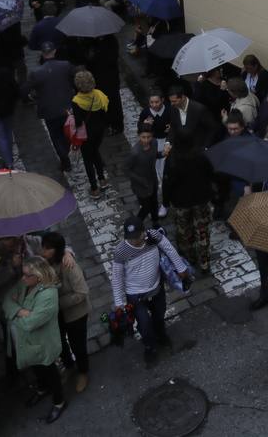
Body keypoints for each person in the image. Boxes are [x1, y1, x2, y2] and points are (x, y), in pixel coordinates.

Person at [109, 217, 192, 367]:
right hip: (135, 296)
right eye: (130, 238)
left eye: (137, 237)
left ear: (143, 232)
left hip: (156, 288)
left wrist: (181, 269)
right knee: (144, 324)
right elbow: (117, 278)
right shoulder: (121, 252)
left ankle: (161, 335)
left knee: (159, 315)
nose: (134, 241)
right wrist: (119, 303)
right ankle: (150, 346)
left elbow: (169, 249)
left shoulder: (153, 236)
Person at [4, 257, 68, 424]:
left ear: (38, 276)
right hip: (27, 341)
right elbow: (6, 301)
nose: (22, 278)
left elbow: (30, 323)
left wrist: (13, 314)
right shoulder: (26, 283)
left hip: (43, 342)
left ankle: (59, 402)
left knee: (49, 370)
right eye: (22, 274)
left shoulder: (48, 294)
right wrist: (20, 311)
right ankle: (42, 388)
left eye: (26, 275)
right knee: (36, 367)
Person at [39, 233, 92, 394]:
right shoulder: (46, 263)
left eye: (47, 248)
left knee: (78, 345)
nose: (43, 251)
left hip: (75, 313)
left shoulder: (69, 265)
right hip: (57, 315)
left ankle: (83, 372)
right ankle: (69, 366)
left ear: (56, 250)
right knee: (60, 343)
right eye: (44, 247)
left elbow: (82, 292)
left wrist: (57, 303)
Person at [163, 138, 216, 271]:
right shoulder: (202, 155)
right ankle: (204, 262)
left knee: (184, 230)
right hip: (201, 200)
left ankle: (190, 257)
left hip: (181, 202)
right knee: (202, 230)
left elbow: (168, 181)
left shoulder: (173, 158)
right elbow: (211, 174)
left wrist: (166, 200)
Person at [22, 42, 76, 170]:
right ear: (55, 51)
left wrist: (32, 97)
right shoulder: (66, 65)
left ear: (42, 53)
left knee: (55, 136)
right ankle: (66, 151)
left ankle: (64, 158)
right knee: (67, 132)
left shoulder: (36, 72)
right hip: (66, 108)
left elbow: (24, 90)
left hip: (49, 111)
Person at [71, 69, 110, 195]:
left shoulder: (77, 101)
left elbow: (78, 122)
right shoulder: (99, 94)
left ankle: (94, 188)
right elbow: (105, 111)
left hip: (86, 134)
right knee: (95, 152)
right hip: (99, 131)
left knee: (88, 159)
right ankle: (102, 179)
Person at [166, 80, 218, 151]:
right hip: (181, 150)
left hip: (198, 150)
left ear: (183, 97)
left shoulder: (199, 109)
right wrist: (168, 142)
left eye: (174, 101)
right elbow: (173, 126)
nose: (172, 104)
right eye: (171, 101)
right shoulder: (173, 109)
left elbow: (212, 128)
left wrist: (206, 146)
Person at [127, 124, 161, 226]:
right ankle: (136, 225)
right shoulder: (135, 153)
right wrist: (140, 180)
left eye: (148, 137)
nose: (146, 140)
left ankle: (155, 222)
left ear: (152, 136)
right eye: (143, 137)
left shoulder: (154, 143)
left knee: (154, 202)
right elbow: (126, 169)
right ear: (139, 136)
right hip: (140, 185)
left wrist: (162, 154)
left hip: (152, 180)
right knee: (146, 207)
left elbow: (154, 155)